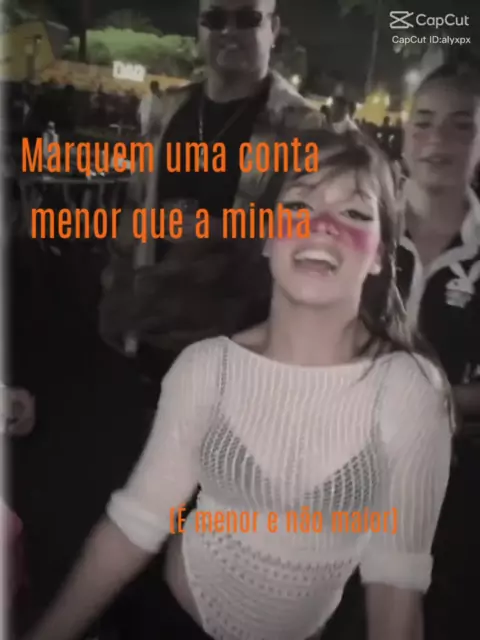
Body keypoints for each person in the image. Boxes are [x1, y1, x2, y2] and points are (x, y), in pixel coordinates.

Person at [24, 131, 452, 640]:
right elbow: (135, 523)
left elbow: (397, 583)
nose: (322, 225)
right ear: (268, 237)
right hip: (169, 621)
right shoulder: (208, 369)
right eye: (298, 205)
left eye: (355, 213)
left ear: (380, 254)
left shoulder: (407, 390)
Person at [99, 0, 325, 366]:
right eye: (215, 18)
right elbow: (133, 211)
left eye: (247, 18)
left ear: (273, 28)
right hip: (148, 339)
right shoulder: (166, 110)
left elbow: (313, 234)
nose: (228, 31)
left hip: (243, 354)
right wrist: (118, 298)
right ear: (199, 28)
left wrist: (225, 231)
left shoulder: (303, 128)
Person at [398, 63, 480, 638]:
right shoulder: (359, 223)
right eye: (423, 122)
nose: (437, 140)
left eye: (461, 125)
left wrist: (443, 401)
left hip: (455, 491)